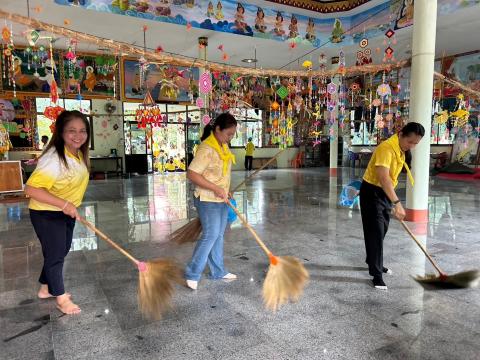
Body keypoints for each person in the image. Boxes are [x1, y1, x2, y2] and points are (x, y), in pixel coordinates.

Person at [24, 110, 90, 315]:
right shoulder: (55, 158)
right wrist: (64, 204)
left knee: (59, 251)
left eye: (82, 131)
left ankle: (45, 288)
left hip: (63, 211)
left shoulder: (77, 153)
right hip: (46, 213)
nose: (78, 136)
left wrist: (68, 206)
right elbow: (31, 189)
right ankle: (61, 298)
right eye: (72, 131)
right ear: (61, 132)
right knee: (55, 255)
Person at [360, 122, 425, 290]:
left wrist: (392, 199)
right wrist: (397, 203)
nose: (412, 146)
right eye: (410, 142)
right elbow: (383, 178)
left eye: (415, 143)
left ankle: (372, 259)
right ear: (401, 134)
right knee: (375, 232)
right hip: (372, 192)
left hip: (384, 193)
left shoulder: (400, 149)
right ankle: (376, 274)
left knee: (383, 229)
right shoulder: (386, 148)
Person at [185, 113, 238, 290]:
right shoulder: (207, 149)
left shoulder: (223, 147)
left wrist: (225, 190)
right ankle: (192, 273)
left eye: (233, 134)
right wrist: (216, 189)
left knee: (219, 235)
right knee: (211, 234)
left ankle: (218, 271)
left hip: (220, 198)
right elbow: (192, 174)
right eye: (228, 134)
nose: (230, 138)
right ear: (217, 129)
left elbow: (221, 175)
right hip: (207, 199)